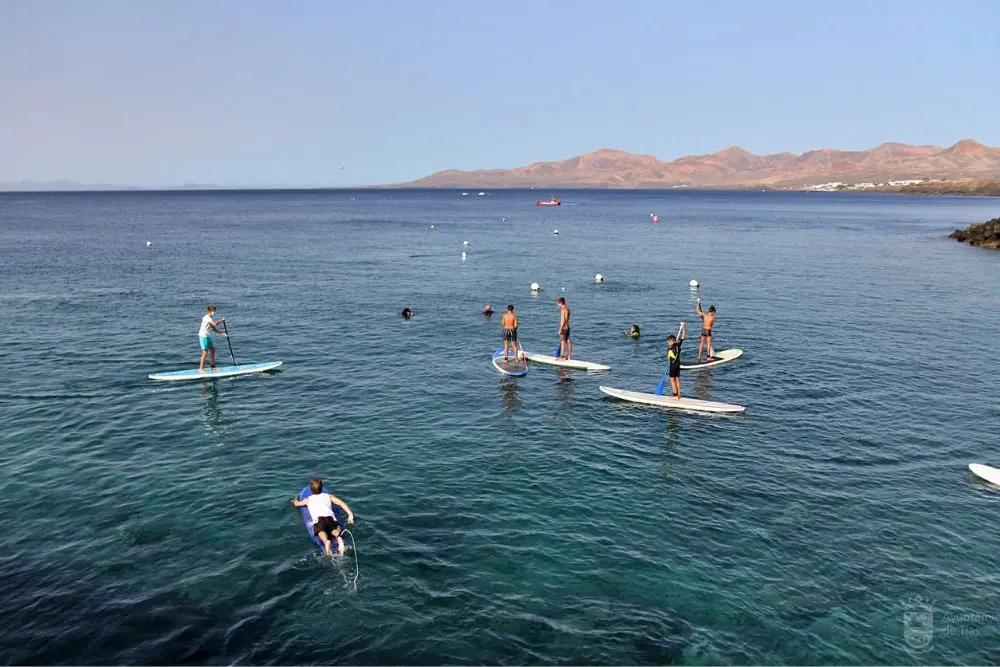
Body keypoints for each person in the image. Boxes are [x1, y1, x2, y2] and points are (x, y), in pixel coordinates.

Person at [291, 478, 355, 556]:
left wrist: (295, 500)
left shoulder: (308, 499)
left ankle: (326, 541)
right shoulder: (329, 496)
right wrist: (350, 514)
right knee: (334, 529)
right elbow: (341, 503)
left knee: (321, 532)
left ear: (311, 490)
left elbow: (297, 504)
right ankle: (338, 537)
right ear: (322, 488)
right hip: (330, 518)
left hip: (319, 520)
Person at [198, 305, 227, 373]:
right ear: (210, 311)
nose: (214, 313)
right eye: (213, 312)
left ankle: (213, 367)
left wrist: (222, 333)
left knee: (213, 350)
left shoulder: (210, 319)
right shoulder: (207, 318)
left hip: (207, 336)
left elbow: (213, 329)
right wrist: (222, 320)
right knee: (205, 352)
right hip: (203, 336)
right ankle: (201, 369)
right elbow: (215, 324)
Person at [667, 322, 687, 399]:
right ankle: (679, 395)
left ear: (671, 341)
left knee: (672, 380)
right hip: (678, 363)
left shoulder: (670, 349)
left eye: (668, 342)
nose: (668, 343)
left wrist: (669, 355)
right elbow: (683, 336)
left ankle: (675, 395)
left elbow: (668, 358)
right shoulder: (679, 345)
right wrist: (684, 326)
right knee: (677, 379)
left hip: (673, 365)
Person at [695, 298, 716, 363]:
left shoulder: (704, 314)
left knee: (701, 344)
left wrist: (698, 303)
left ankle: (699, 357)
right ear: (712, 312)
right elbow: (711, 325)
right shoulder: (713, 317)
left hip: (703, 330)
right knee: (708, 344)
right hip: (708, 331)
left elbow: (697, 311)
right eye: (714, 312)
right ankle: (708, 357)